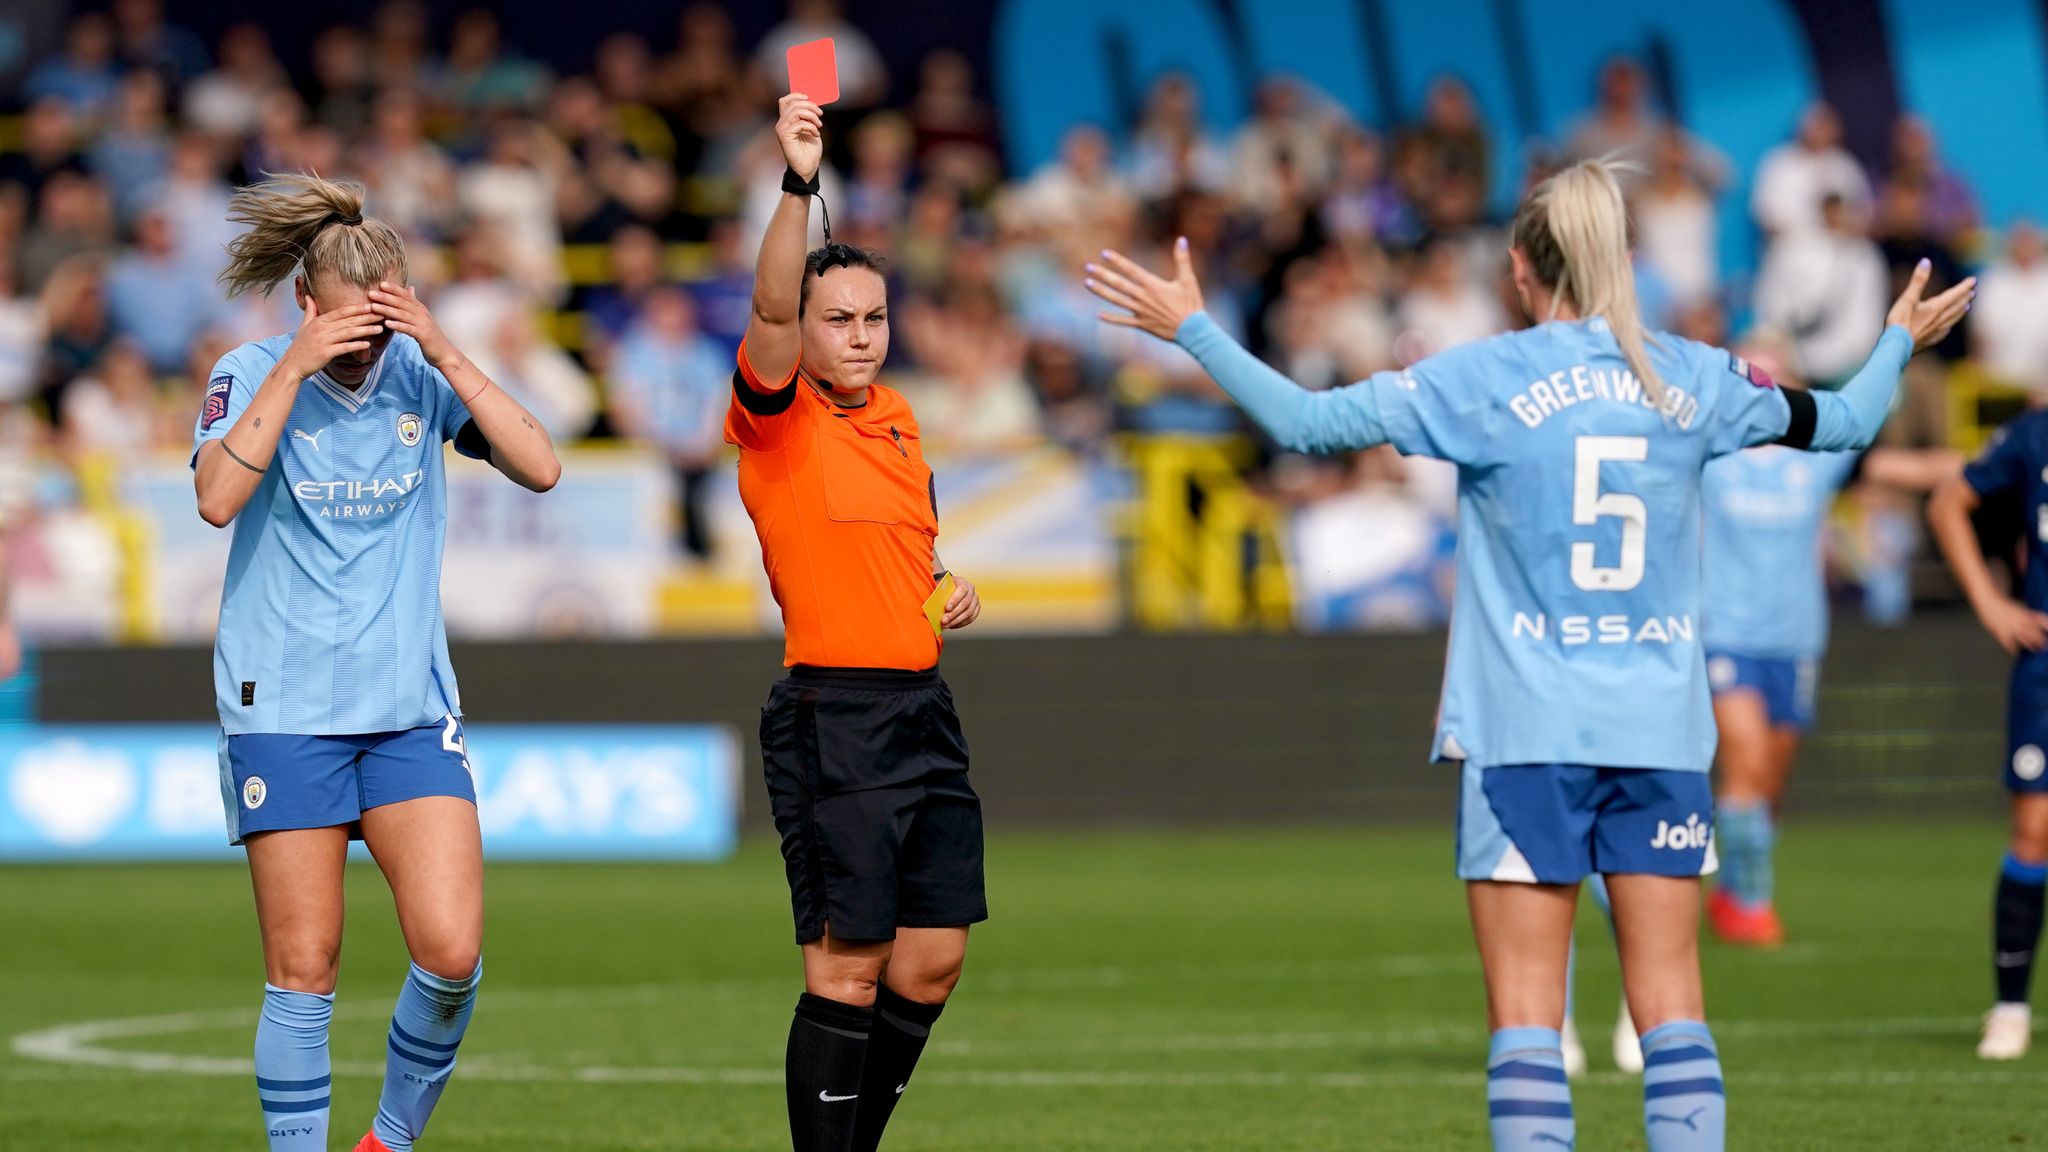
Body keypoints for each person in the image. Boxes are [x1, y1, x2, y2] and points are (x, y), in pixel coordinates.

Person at [1086, 159, 1972, 1152]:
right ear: (1626, 263)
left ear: (1517, 268)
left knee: (1524, 1024)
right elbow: (1845, 421)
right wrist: (1899, 335)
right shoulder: (1697, 376)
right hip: (1659, 738)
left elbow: (1305, 422)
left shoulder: (1479, 379)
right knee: (1673, 1011)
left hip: (1523, 738)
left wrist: (1193, 330)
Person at [191, 173, 560, 1152]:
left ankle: (387, 1143)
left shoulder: (421, 374)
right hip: (285, 704)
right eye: (350, 323)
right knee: (304, 968)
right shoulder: (249, 366)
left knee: (451, 953)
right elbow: (216, 498)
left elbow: (540, 463)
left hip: (406, 707)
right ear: (306, 305)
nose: (370, 343)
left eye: (385, 322)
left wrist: (441, 347)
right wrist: (293, 367)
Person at [732, 93, 986, 1152]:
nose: (859, 336)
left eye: (873, 318)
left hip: (920, 709)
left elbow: (904, 547)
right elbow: (772, 316)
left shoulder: (894, 415)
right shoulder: (774, 419)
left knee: (930, 960)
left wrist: (940, 587)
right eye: (839, 319)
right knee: (845, 968)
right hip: (833, 713)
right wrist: (798, 183)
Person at [1928, 407, 2048, 1060]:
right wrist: (1989, 602)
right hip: (2044, 670)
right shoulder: (2033, 436)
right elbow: (1949, 502)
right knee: (2032, 831)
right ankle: (2010, 1007)